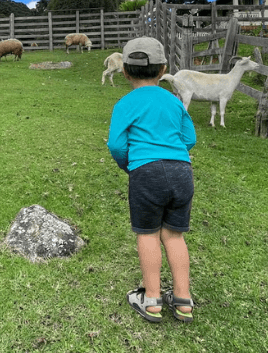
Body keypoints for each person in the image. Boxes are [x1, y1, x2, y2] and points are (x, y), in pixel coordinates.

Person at [107, 37, 197, 323]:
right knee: (174, 235)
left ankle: (152, 300)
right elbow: (189, 139)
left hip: (146, 173)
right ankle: (183, 300)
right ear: (163, 69)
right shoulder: (174, 100)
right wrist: (173, 156)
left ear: (124, 71)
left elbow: (117, 145)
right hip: (182, 172)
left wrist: (131, 166)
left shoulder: (125, 103)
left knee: (148, 234)